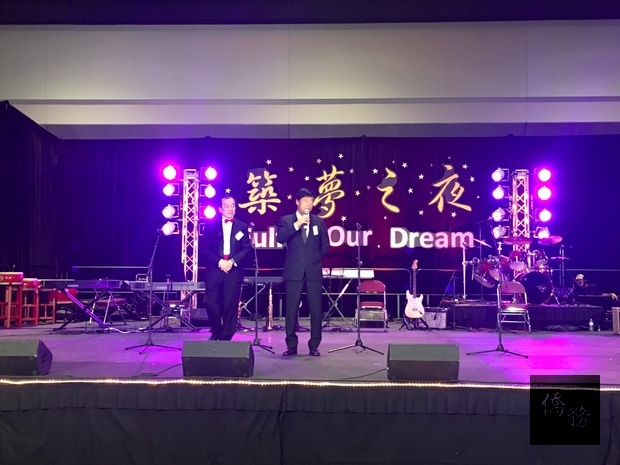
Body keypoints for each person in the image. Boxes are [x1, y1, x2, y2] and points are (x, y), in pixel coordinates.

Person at [276, 188, 330, 356]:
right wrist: (297, 225)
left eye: (311, 201)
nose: (309, 204)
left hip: (313, 271)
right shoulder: (286, 220)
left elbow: (325, 246)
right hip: (294, 271)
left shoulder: (318, 222)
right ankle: (291, 345)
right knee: (291, 309)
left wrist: (312, 258)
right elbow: (280, 238)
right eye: (305, 200)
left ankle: (314, 345)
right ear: (297, 202)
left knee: (315, 309)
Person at [202, 195, 251, 341]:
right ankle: (216, 331)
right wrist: (219, 262)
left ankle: (227, 335)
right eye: (227, 206)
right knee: (212, 304)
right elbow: (205, 249)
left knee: (230, 304)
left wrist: (232, 261)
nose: (230, 209)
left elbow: (246, 248)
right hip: (215, 270)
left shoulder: (242, 226)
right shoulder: (211, 225)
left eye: (233, 205)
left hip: (233, 270)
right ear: (220, 209)